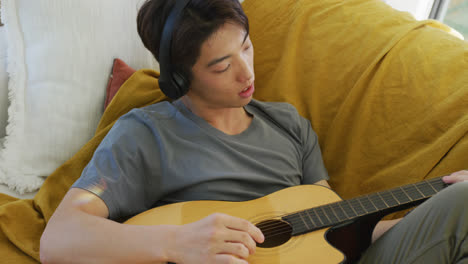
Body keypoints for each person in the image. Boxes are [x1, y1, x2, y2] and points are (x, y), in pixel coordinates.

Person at [39, 0, 468, 263]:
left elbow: (332, 236)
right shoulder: (144, 136)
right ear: (180, 79)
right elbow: (59, 238)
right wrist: (177, 243)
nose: (246, 72)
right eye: (222, 65)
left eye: (245, 46)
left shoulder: (288, 124)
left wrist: (444, 199)